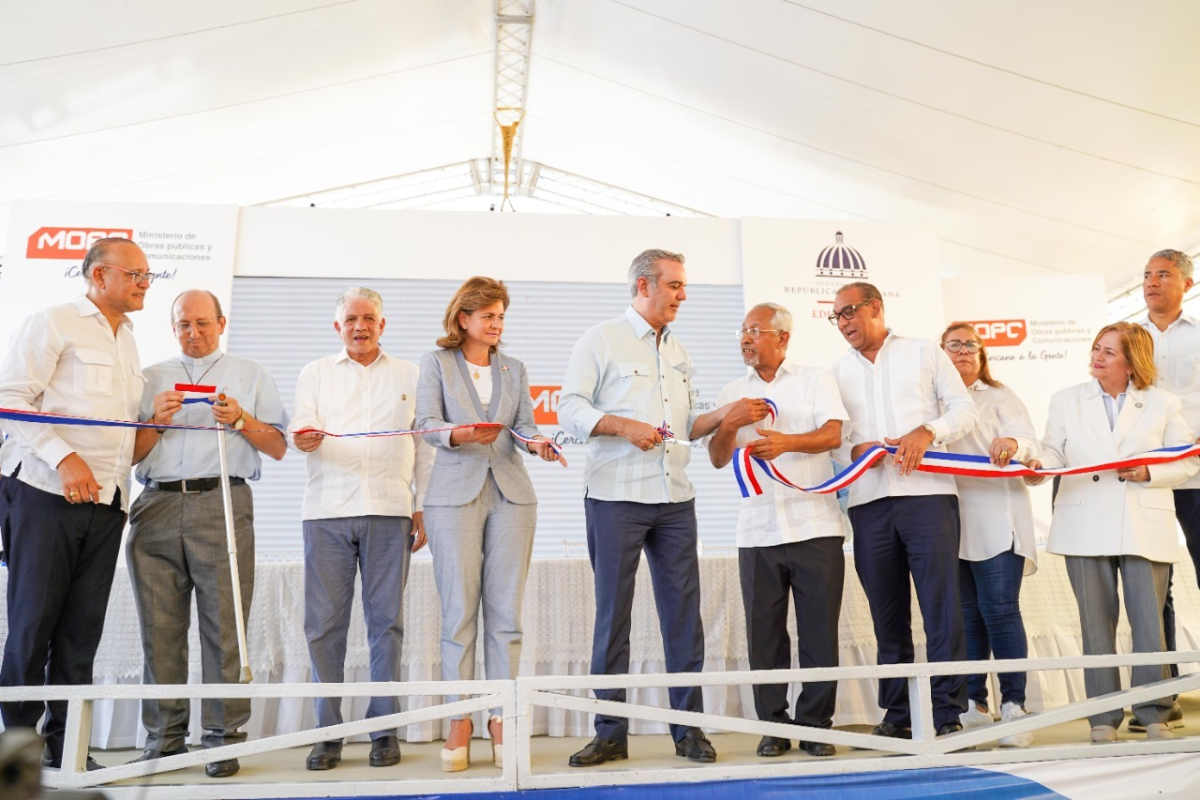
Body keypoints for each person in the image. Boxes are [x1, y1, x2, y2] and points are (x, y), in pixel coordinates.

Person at [558, 248, 742, 767]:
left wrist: (726, 416)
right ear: (643, 286)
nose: (683, 295)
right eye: (675, 285)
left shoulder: (679, 350)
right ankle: (610, 734)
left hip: (676, 501)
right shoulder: (600, 340)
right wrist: (622, 425)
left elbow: (683, 429)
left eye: (684, 286)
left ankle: (689, 733)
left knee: (684, 619)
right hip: (616, 499)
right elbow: (568, 408)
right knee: (612, 618)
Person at [0, 237, 150, 771]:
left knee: (80, 638)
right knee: (31, 630)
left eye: (147, 276)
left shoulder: (130, 341)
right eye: (135, 274)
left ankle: (68, 759)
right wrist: (64, 458)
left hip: (107, 504)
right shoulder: (54, 321)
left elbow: (123, 431)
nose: (143, 284)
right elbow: (11, 397)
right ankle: (17, 765)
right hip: (44, 495)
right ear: (99, 274)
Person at [125, 289, 288, 778]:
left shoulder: (251, 373)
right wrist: (154, 421)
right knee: (159, 631)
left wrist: (241, 419)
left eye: (202, 323)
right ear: (172, 327)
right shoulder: (147, 378)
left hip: (222, 501)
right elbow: (129, 454)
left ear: (221, 322)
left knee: (224, 627)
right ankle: (164, 739)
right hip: (154, 503)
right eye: (183, 325)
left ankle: (222, 740)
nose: (193, 334)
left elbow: (278, 446)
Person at [1025, 322, 1197, 742]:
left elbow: (1188, 458)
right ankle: (1102, 717)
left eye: (1108, 351)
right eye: (1096, 349)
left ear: (1132, 360)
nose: (1097, 357)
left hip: (1143, 518)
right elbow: (1052, 451)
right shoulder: (1066, 400)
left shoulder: (1163, 403)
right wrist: (1036, 468)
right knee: (1095, 625)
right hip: (1084, 520)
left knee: (1148, 624)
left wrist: (1149, 471)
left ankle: (1153, 711)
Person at [416, 277, 560, 772]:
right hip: (453, 496)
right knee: (458, 615)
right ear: (464, 319)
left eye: (501, 317)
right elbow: (424, 424)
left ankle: (502, 718)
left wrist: (538, 443)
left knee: (506, 617)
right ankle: (461, 720)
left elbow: (525, 426)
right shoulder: (435, 363)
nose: (497, 326)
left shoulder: (514, 368)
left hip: (513, 496)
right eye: (489, 317)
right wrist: (460, 433)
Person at [290, 287, 433, 771]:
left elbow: (427, 447)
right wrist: (304, 440)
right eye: (351, 319)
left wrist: (423, 507)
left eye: (368, 318)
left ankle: (384, 731)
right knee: (323, 628)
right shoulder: (314, 373)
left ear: (382, 324)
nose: (359, 326)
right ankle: (328, 735)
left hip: (390, 510)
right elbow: (302, 430)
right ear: (338, 327)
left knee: (386, 625)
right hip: (326, 512)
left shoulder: (411, 375)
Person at [828, 282, 978, 742]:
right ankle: (898, 713)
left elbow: (964, 410)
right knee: (886, 615)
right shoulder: (833, 373)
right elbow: (833, 439)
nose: (845, 322)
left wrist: (927, 431)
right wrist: (855, 448)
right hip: (869, 503)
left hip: (929, 497)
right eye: (837, 317)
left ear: (876, 307)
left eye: (851, 311)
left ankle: (948, 711)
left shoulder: (923, 353)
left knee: (941, 608)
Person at [707, 303, 849, 758]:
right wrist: (728, 424)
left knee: (819, 633)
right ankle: (773, 725)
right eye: (742, 331)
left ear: (782, 338)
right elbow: (716, 456)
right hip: (758, 531)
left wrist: (786, 442)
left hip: (816, 525)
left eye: (755, 331)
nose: (746, 339)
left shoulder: (815, 379)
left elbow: (832, 435)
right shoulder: (732, 391)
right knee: (764, 637)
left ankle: (816, 726)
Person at [940, 322, 1037, 747]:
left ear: (982, 354)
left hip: (999, 519)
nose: (963, 351)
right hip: (948, 523)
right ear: (939, 353)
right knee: (966, 617)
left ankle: (1015, 705)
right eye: (953, 345)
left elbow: (1032, 442)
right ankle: (975, 704)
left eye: (971, 345)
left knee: (999, 610)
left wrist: (1014, 443)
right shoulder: (933, 399)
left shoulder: (1000, 395)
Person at [1138, 248, 1198, 731]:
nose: (1153, 282)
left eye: (1164, 275)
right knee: (1155, 587)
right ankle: (1164, 693)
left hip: (1196, 473)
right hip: (1147, 480)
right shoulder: (1128, 339)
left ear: (1187, 285)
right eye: (1147, 275)